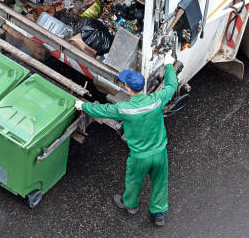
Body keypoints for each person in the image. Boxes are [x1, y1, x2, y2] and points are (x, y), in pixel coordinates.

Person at [75, 53, 178, 226]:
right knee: (160, 182)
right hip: (160, 152)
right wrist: (168, 65)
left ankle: (130, 205)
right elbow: (172, 85)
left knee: (133, 180)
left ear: (129, 89)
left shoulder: (124, 109)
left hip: (139, 157)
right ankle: (159, 214)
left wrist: (82, 106)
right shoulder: (157, 100)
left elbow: (102, 110)